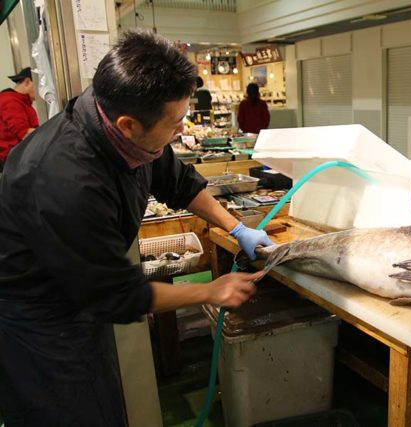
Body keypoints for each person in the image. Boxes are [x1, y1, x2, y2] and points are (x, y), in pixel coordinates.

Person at [0, 30, 273, 426]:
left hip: (78, 299)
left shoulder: (122, 128)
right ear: (128, 125)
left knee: (103, 401)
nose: (182, 129)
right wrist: (209, 291)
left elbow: (176, 180)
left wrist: (237, 229)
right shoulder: (66, 181)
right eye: (176, 122)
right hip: (36, 319)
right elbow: (115, 293)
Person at [0, 67, 39, 171]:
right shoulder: (10, 101)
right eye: (39, 85)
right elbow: (24, 133)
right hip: (10, 161)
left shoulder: (22, 102)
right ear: (27, 82)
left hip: (16, 158)